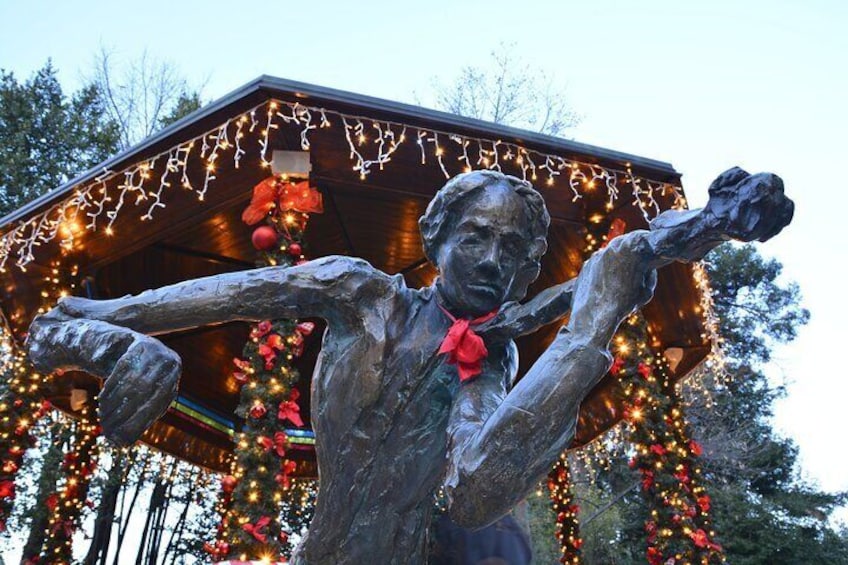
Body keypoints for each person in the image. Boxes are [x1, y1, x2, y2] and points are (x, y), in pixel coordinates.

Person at [26, 168, 792, 564]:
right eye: (476, 236)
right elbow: (232, 290)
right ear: (438, 233)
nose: (492, 261)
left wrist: (590, 326)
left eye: (514, 252)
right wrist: (109, 329)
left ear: (530, 272)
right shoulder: (360, 294)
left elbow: (473, 493)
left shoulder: (490, 362)